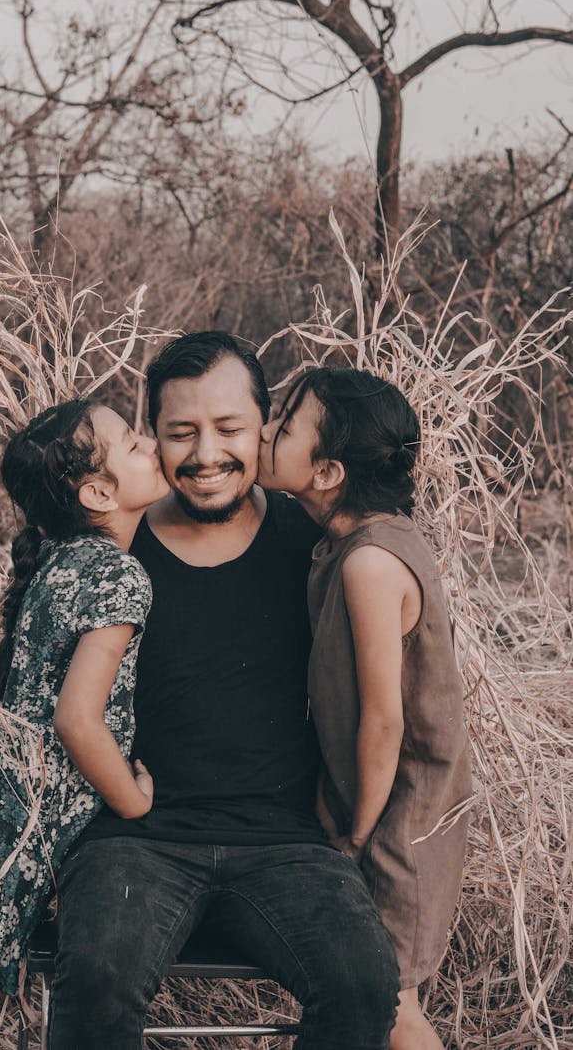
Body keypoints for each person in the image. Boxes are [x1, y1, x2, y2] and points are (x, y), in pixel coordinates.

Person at [51, 333, 399, 1050]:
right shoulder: (114, 551)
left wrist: (356, 831)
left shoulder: (316, 541)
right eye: (181, 432)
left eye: (230, 429)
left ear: (265, 429)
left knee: (364, 984)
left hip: (286, 842)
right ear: (154, 437)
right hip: (136, 841)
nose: (207, 454)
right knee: (94, 979)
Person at [0, 399, 169, 1050]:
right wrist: (135, 798)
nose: (153, 445)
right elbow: (78, 720)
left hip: (9, 810)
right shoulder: (118, 574)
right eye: (135, 444)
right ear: (99, 490)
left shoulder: (61, 559)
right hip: (21, 821)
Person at [257, 366, 473, 1050]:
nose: (263, 432)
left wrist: (354, 831)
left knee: (390, 1000)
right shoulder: (346, 540)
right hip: (379, 801)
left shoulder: (369, 563)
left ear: (325, 472)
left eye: (283, 426)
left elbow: (386, 719)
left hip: (401, 812)